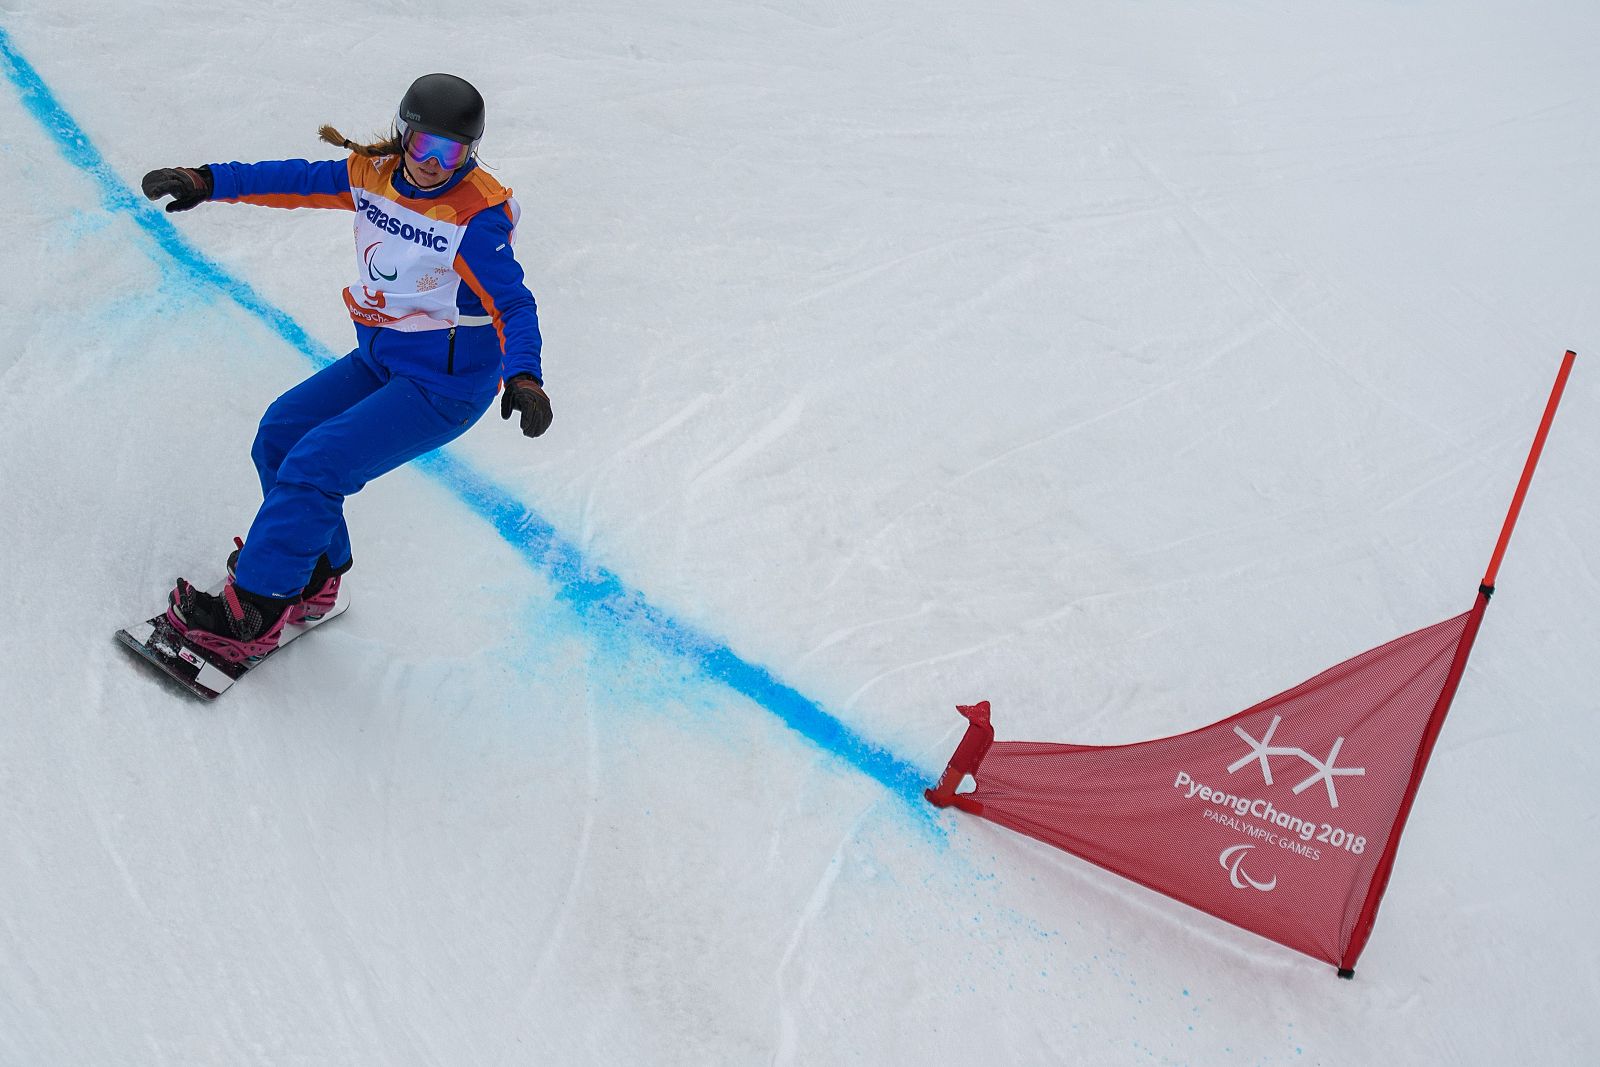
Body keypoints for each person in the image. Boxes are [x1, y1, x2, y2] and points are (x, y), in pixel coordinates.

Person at [141, 73, 552, 665]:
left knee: (317, 463)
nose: (436, 163)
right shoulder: (375, 175)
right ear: (403, 135)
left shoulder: (473, 216)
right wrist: (206, 181)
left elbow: (513, 303)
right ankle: (314, 574)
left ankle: (253, 612)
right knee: (282, 434)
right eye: (425, 145)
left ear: (471, 152)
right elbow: (295, 180)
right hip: (384, 355)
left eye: (454, 151)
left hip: (443, 386)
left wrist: (525, 376)